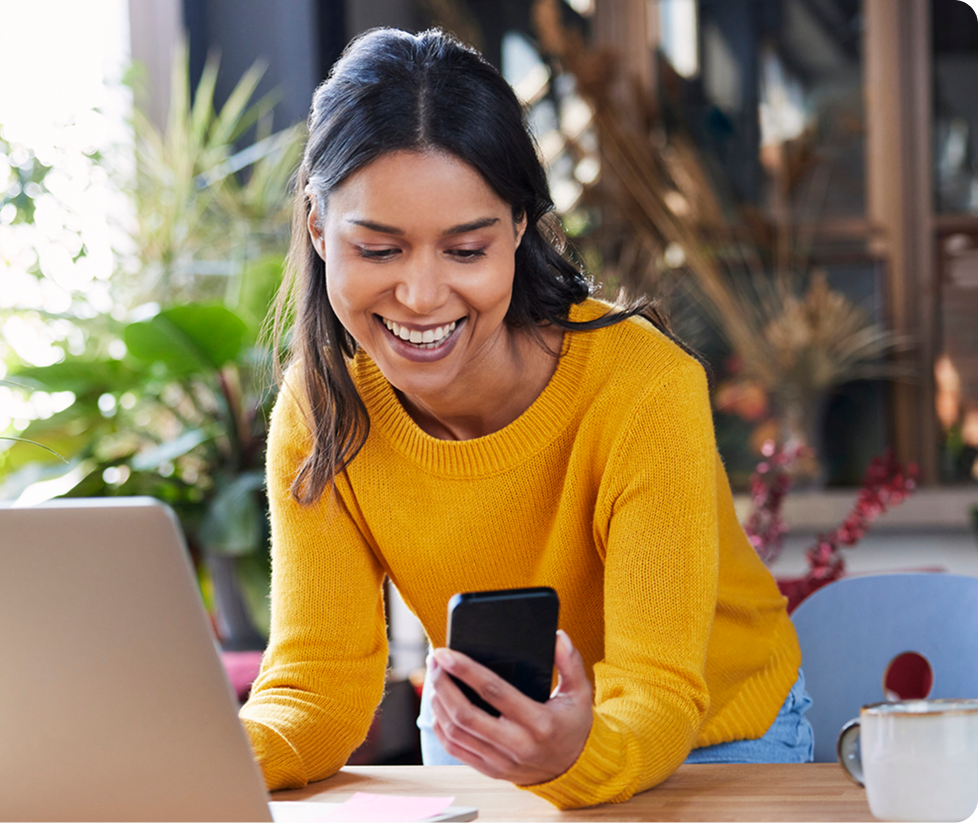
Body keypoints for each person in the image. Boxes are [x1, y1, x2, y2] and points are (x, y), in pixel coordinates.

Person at [236, 28, 811, 810]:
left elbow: (658, 690)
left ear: (516, 229)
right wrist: (211, 751)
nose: (422, 296)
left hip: (719, 739)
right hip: (488, 735)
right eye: (378, 249)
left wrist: (570, 749)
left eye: (466, 250)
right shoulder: (323, 407)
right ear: (316, 227)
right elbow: (318, 683)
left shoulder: (642, 387)